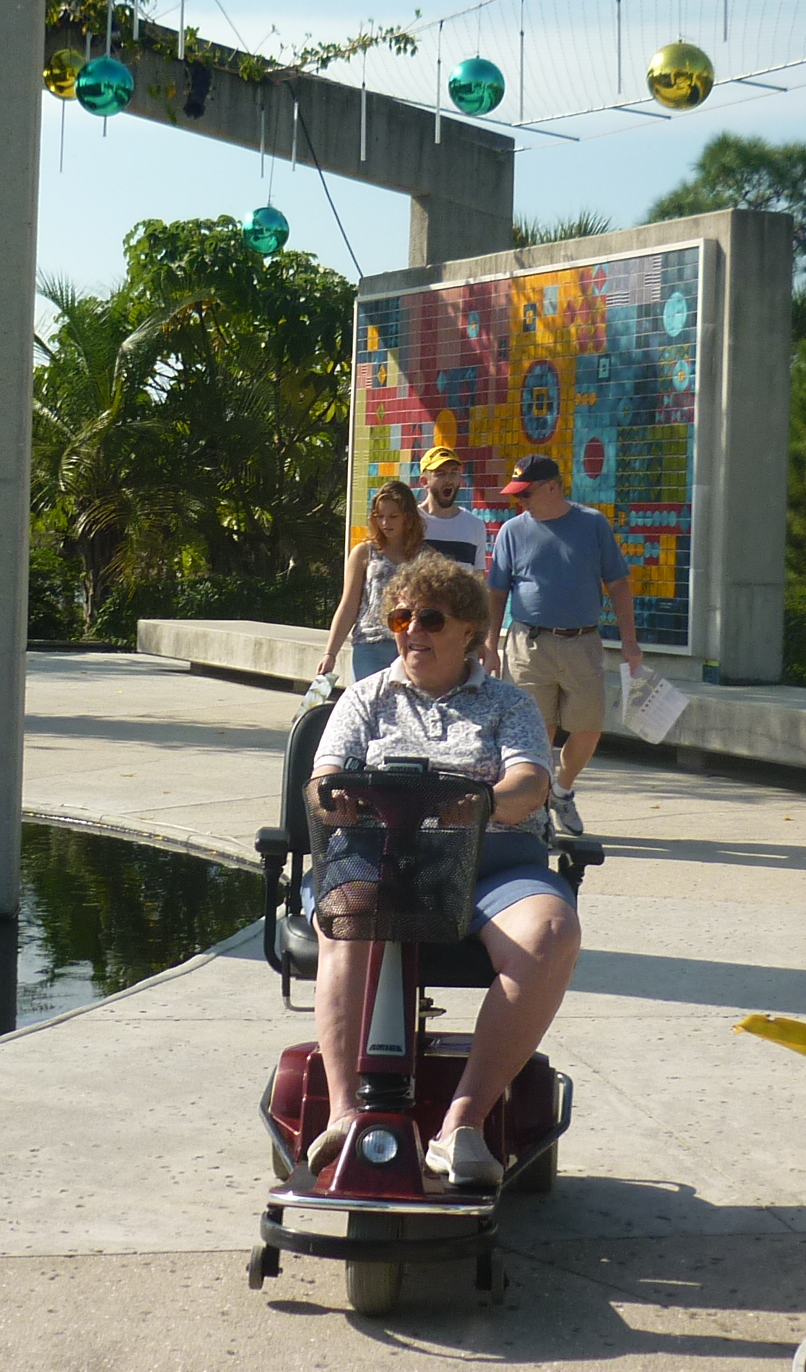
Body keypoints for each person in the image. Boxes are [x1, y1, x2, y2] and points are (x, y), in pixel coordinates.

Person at [305, 556, 582, 1188]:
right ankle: (345, 1113)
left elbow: (529, 783)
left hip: (490, 864)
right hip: (379, 856)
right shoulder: (364, 699)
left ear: (469, 632)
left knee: (551, 932)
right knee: (347, 915)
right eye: (401, 617)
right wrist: (334, 799)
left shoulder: (508, 704)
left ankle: (462, 1124)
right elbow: (324, 779)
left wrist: (482, 804)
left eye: (430, 619)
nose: (412, 630)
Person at [481, 454, 642, 838]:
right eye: (517, 495)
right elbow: (496, 592)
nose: (520, 501)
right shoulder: (512, 531)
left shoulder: (592, 524)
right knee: (537, 735)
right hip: (528, 645)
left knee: (588, 729)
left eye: (526, 493)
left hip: (582, 642)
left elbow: (618, 584)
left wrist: (630, 642)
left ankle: (562, 790)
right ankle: (536, 817)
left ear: (552, 487)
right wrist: (489, 645)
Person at [318, 481, 428, 683]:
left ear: (408, 517)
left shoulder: (424, 556)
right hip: (369, 644)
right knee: (370, 699)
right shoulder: (364, 552)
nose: (385, 522)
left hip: (410, 643)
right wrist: (330, 653)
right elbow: (348, 605)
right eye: (380, 516)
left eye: (393, 516)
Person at [414, 444, 490, 574]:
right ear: (424, 481)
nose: (448, 480)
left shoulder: (474, 525)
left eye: (453, 473)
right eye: (440, 474)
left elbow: (479, 578)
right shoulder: (411, 521)